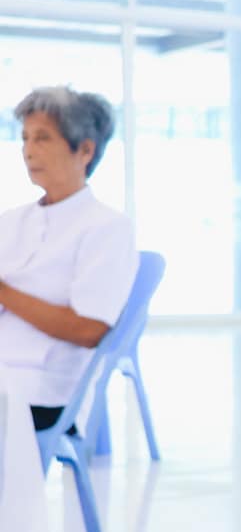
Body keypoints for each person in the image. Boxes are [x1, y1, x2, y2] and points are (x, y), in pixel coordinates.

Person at [0, 87, 137, 429]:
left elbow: (87, 328)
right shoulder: (11, 221)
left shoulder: (107, 228)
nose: (29, 151)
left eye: (43, 138)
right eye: (25, 138)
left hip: (43, 392)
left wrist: (4, 293)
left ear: (85, 150)